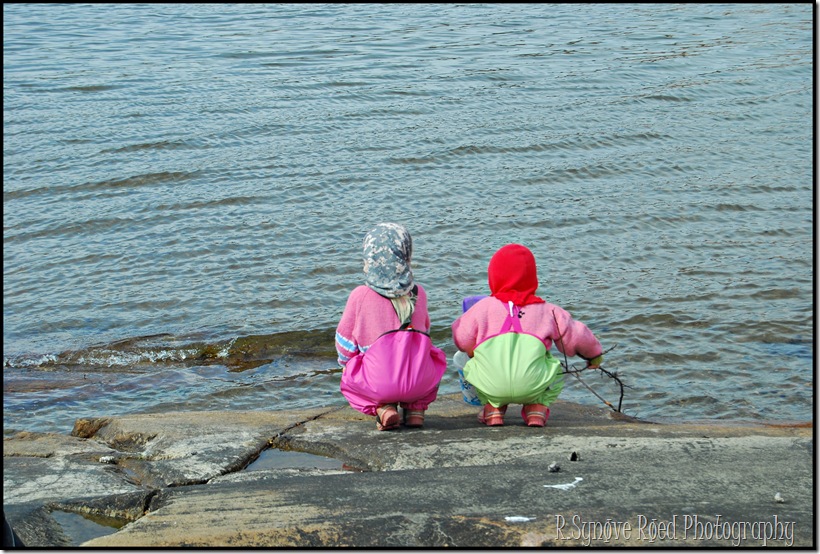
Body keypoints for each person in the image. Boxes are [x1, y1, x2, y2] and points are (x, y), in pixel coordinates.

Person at [451, 244, 603, 427]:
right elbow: (577, 335)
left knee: (473, 365)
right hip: (533, 385)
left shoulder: (482, 308)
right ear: (532, 277)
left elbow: (461, 336)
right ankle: (536, 408)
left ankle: (493, 408)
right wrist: (594, 355)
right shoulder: (548, 311)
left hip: (492, 386)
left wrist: (474, 351)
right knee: (555, 367)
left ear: (494, 276)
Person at [337, 223, 447, 430]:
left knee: (351, 375)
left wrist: (348, 366)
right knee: (427, 356)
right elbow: (425, 334)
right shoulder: (419, 293)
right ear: (406, 254)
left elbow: (345, 345)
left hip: (380, 383)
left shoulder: (360, 296)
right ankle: (416, 409)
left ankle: (383, 409)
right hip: (418, 383)